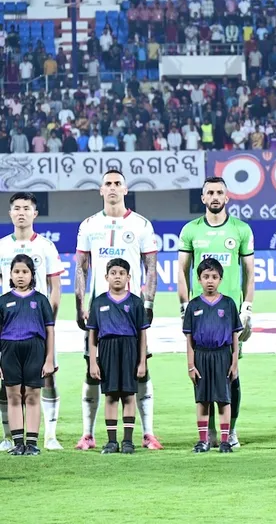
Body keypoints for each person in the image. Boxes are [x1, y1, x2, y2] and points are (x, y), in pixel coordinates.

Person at [74, 170, 162, 451]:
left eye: (117, 184)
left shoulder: (141, 225)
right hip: (100, 311)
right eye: (108, 184)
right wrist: (80, 305)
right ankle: (88, 434)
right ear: (101, 190)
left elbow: (150, 268)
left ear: (126, 189)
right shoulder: (88, 225)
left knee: (140, 372)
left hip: (130, 311)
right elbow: (81, 267)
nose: (112, 188)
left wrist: (147, 304)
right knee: (93, 372)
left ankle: (147, 434)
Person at [177, 176, 254, 448]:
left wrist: (247, 307)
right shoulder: (190, 231)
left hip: (230, 314)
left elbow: (249, 273)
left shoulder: (241, 229)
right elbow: (183, 272)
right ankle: (209, 432)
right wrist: (184, 306)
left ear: (227, 196)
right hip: (200, 313)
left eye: (219, 192)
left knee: (231, 373)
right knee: (201, 372)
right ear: (203, 198)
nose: (215, 196)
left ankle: (229, 430)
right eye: (210, 192)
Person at [0, 192, 64, 451]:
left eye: (26, 208)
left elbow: (55, 287)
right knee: (7, 384)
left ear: (35, 213)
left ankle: (49, 435)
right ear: (10, 213)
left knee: (47, 379)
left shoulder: (46, 246)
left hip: (38, 330)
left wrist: (48, 320)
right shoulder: (2, 245)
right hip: (8, 329)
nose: (21, 212)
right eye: (17, 208)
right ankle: (9, 437)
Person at [86, 258, 149, 455]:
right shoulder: (99, 302)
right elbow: (93, 335)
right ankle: (112, 441)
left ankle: (128, 441)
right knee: (111, 395)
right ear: (106, 277)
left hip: (129, 348)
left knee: (129, 395)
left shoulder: (136, 302)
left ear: (128, 277)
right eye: (113, 273)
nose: (117, 277)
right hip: (107, 349)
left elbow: (142, 335)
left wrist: (142, 361)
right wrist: (93, 362)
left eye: (122, 273)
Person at [183, 258, 241, 454]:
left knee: (224, 400)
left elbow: (234, 335)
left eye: (214, 277)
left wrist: (234, 362)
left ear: (221, 279)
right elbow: (189, 339)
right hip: (201, 356)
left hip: (223, 356)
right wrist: (191, 365)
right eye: (206, 276)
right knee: (203, 400)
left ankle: (225, 441)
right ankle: (203, 440)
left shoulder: (228, 304)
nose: (210, 281)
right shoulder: (193, 306)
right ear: (198, 279)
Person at [0, 254, 56, 455]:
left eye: (25, 271)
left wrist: (49, 359)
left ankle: (31, 443)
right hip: (9, 350)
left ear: (32, 274)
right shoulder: (3, 301)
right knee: (13, 395)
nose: (20, 276)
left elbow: (49, 330)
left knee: (32, 395)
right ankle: (17, 443)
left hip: (35, 349)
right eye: (16, 272)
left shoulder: (41, 300)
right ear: (11, 274)